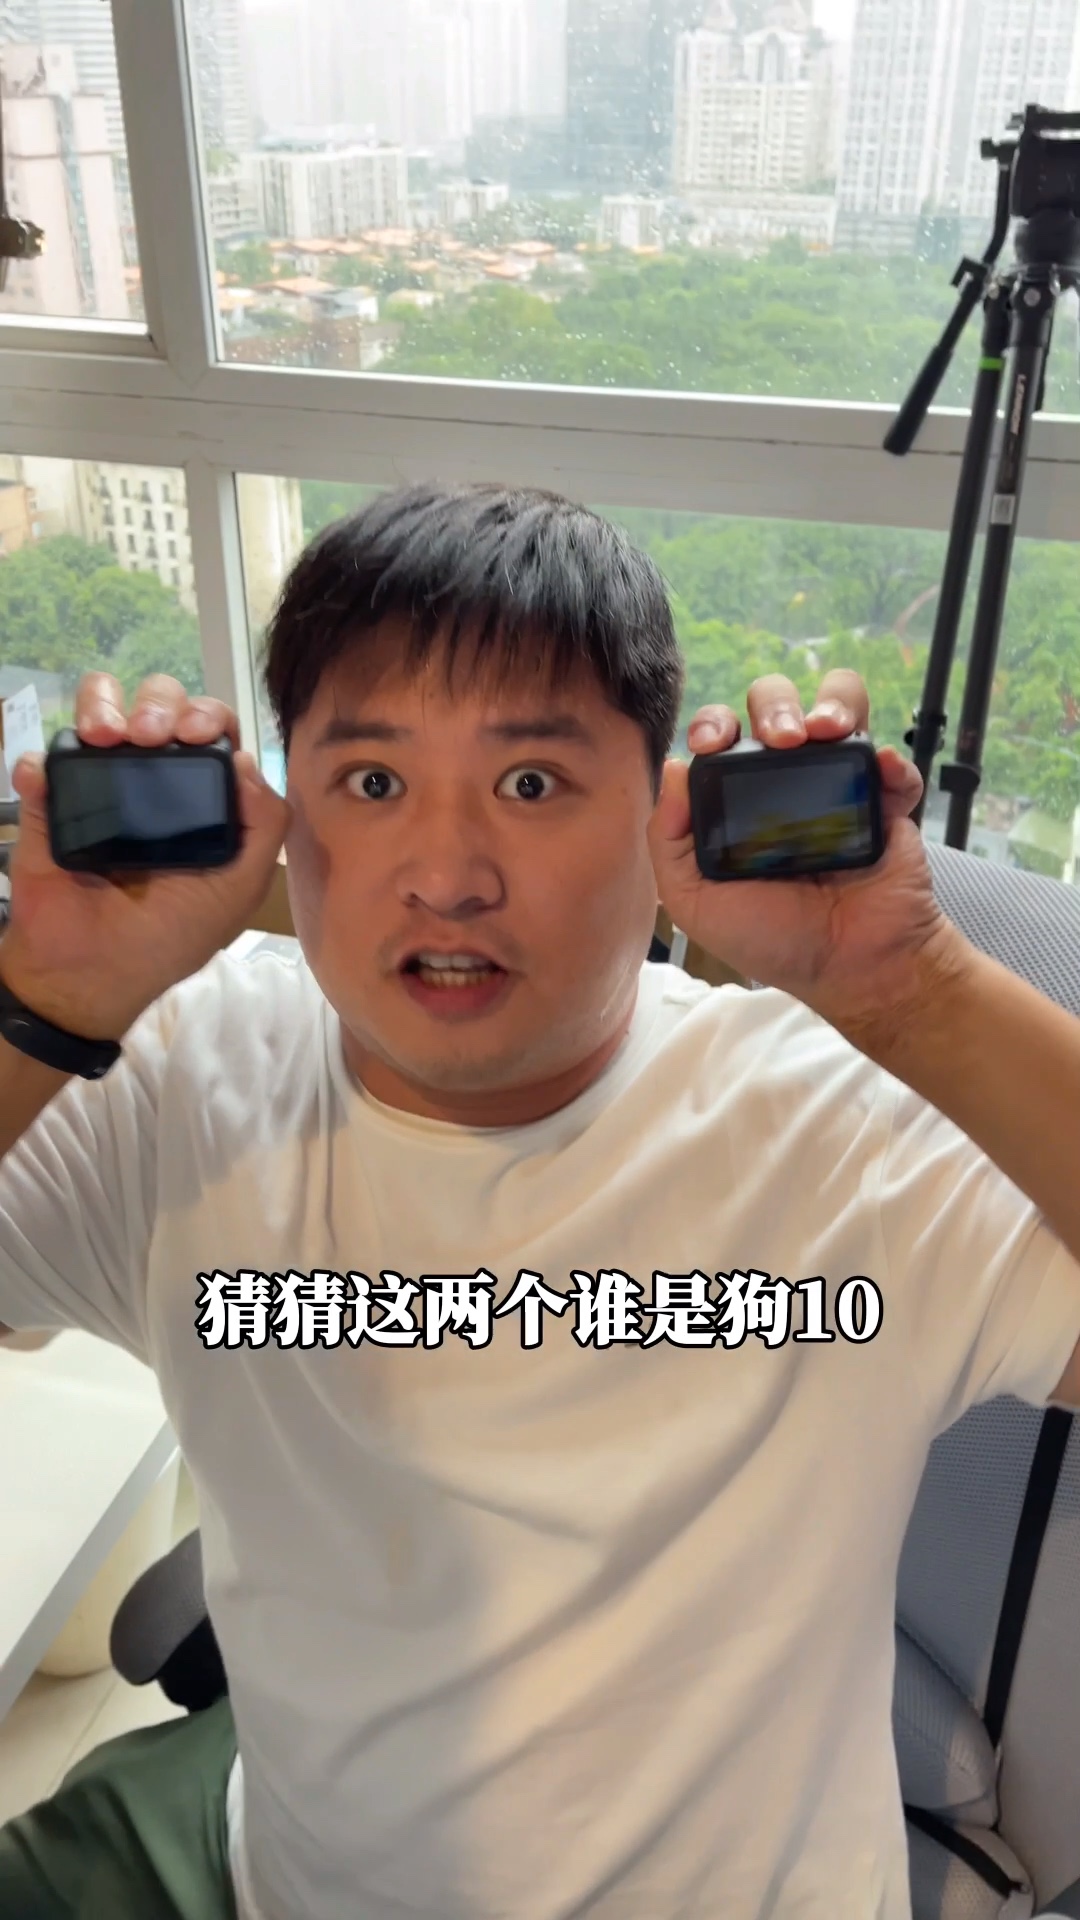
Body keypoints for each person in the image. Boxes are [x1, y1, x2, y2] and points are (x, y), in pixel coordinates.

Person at [0, 481, 1078, 1920]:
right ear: (285, 811)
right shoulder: (173, 1084)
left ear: (660, 816)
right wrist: (43, 1005)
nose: (446, 879)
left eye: (529, 785)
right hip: (273, 1867)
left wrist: (915, 990)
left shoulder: (838, 1135)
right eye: (371, 783)